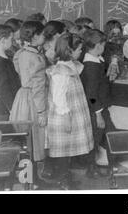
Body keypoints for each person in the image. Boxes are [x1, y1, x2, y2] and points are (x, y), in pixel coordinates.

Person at [46, 33, 94, 190]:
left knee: (68, 149)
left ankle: (66, 179)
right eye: (79, 49)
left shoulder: (70, 65)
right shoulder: (60, 71)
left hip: (72, 113)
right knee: (62, 151)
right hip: (64, 116)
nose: (81, 52)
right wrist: (66, 118)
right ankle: (62, 182)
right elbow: (59, 98)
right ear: (69, 50)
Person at [9, 21, 48, 186]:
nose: (45, 37)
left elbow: (19, 71)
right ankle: (35, 181)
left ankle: (29, 180)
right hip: (34, 100)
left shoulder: (21, 53)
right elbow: (38, 87)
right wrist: (41, 112)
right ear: (35, 36)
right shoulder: (36, 58)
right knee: (35, 139)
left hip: (22, 97)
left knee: (26, 141)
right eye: (42, 34)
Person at [80, 29, 114, 178]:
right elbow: (91, 95)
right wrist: (98, 114)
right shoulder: (90, 66)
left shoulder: (96, 60)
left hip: (99, 108)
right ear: (98, 46)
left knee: (103, 136)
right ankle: (91, 168)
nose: (104, 48)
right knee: (95, 139)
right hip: (96, 110)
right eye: (103, 45)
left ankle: (104, 165)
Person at [0, 24, 21, 121]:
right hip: (2, 110)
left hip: (5, 108)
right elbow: (2, 88)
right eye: (11, 38)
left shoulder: (2, 57)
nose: (12, 41)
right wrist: (12, 108)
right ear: (3, 40)